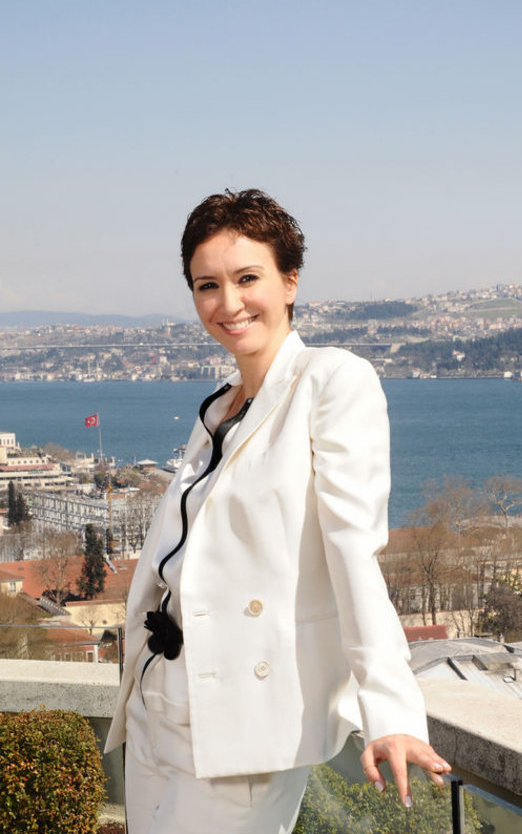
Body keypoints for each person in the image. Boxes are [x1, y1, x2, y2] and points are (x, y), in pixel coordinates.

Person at [105, 189, 451, 834]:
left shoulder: (333, 380)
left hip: (243, 720)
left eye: (247, 278)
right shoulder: (220, 408)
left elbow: (353, 550)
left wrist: (393, 711)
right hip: (161, 699)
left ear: (290, 281)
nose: (228, 303)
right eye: (207, 285)